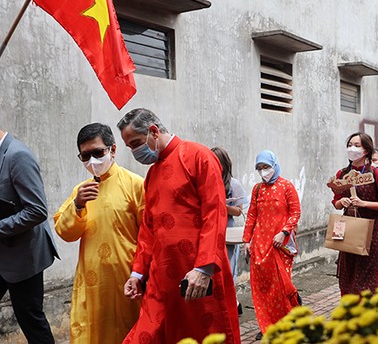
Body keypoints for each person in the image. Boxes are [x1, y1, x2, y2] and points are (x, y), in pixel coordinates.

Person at [117, 109, 240, 344]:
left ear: (153, 131)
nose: (134, 152)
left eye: (135, 143)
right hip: (160, 278)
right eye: (129, 146)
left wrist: (204, 269)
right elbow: (148, 229)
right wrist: (137, 273)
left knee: (204, 335)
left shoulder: (198, 156)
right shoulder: (152, 175)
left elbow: (215, 213)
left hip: (195, 275)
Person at [54, 123, 145, 343]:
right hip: (91, 282)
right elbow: (65, 232)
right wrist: (77, 205)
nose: (92, 160)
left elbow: (149, 235)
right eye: (85, 156)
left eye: (98, 153)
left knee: (127, 333)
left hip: (126, 281)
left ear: (112, 149)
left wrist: (142, 275)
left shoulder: (135, 184)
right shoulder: (80, 190)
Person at [0, 129, 58, 343]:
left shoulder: (18, 156)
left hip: (24, 254)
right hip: (3, 250)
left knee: (30, 318)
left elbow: (37, 210)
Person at [243, 150, 301, 339]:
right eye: (259, 168)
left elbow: (295, 212)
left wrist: (284, 232)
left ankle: (286, 321)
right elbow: (252, 215)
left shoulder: (286, 186)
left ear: (274, 165)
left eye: (266, 167)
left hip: (280, 246)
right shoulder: (257, 189)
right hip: (260, 245)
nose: (263, 171)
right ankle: (267, 325)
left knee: (281, 287)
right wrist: (246, 241)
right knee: (263, 288)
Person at [330, 133, 378, 295]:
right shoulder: (342, 174)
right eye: (350, 144)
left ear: (367, 149)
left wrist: (363, 203)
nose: (352, 148)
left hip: (372, 231)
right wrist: (341, 202)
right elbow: (336, 202)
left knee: (369, 273)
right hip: (348, 226)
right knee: (348, 271)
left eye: (357, 145)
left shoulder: (376, 174)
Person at [211, 146, 247, 315]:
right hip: (210, 231)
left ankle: (231, 304)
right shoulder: (207, 181)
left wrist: (222, 205)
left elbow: (239, 211)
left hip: (227, 232)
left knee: (227, 269)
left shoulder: (233, 184)